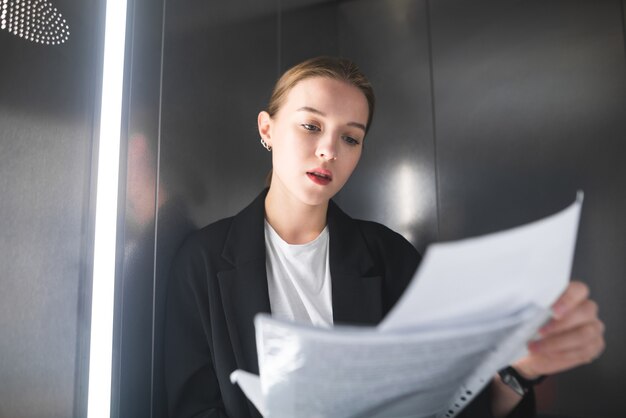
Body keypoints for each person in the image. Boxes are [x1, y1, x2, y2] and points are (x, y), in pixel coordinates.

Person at [164, 56, 605, 418]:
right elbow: (191, 409)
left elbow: (450, 403)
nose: (329, 150)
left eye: (350, 138)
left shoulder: (390, 256)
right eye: (311, 126)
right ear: (267, 129)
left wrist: (517, 372)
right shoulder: (201, 263)